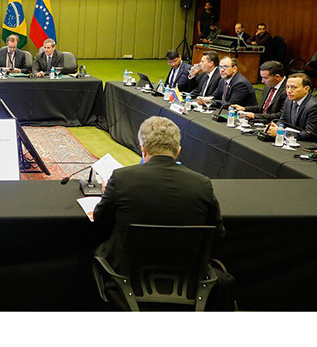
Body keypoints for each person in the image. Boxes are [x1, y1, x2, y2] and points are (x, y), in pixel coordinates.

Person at [93, 116, 226, 310]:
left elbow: (100, 220)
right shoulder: (202, 184)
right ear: (178, 151)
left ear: (143, 149)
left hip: (126, 274)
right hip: (187, 277)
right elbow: (218, 235)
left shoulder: (122, 179)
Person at [266, 73, 317, 144]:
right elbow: (283, 120)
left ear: (306, 89)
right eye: (287, 87)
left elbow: (310, 134)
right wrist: (275, 127)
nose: (289, 91)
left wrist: (282, 132)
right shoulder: (288, 100)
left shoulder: (315, 107)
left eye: (294, 87)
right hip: (295, 140)